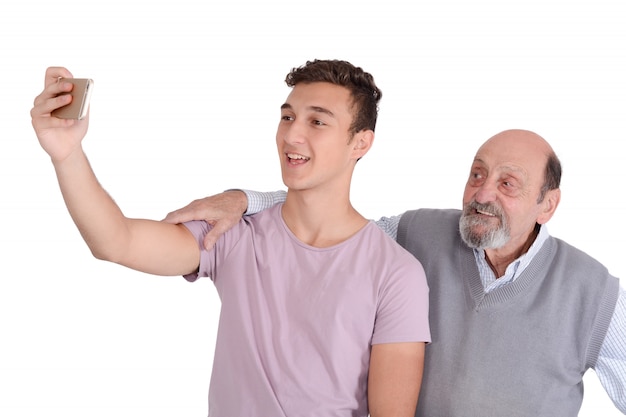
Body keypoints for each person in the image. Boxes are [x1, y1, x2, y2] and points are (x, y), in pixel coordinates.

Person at [30, 60, 431, 417]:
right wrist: (67, 154)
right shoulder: (233, 234)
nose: (292, 135)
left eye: (318, 121)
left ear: (360, 143)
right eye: (287, 117)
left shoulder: (396, 274)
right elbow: (116, 242)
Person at [163, 128, 626, 416]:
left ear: (548, 205)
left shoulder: (594, 292)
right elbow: (334, 222)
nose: (482, 194)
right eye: (477, 175)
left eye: (507, 184)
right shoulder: (417, 233)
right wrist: (245, 200)